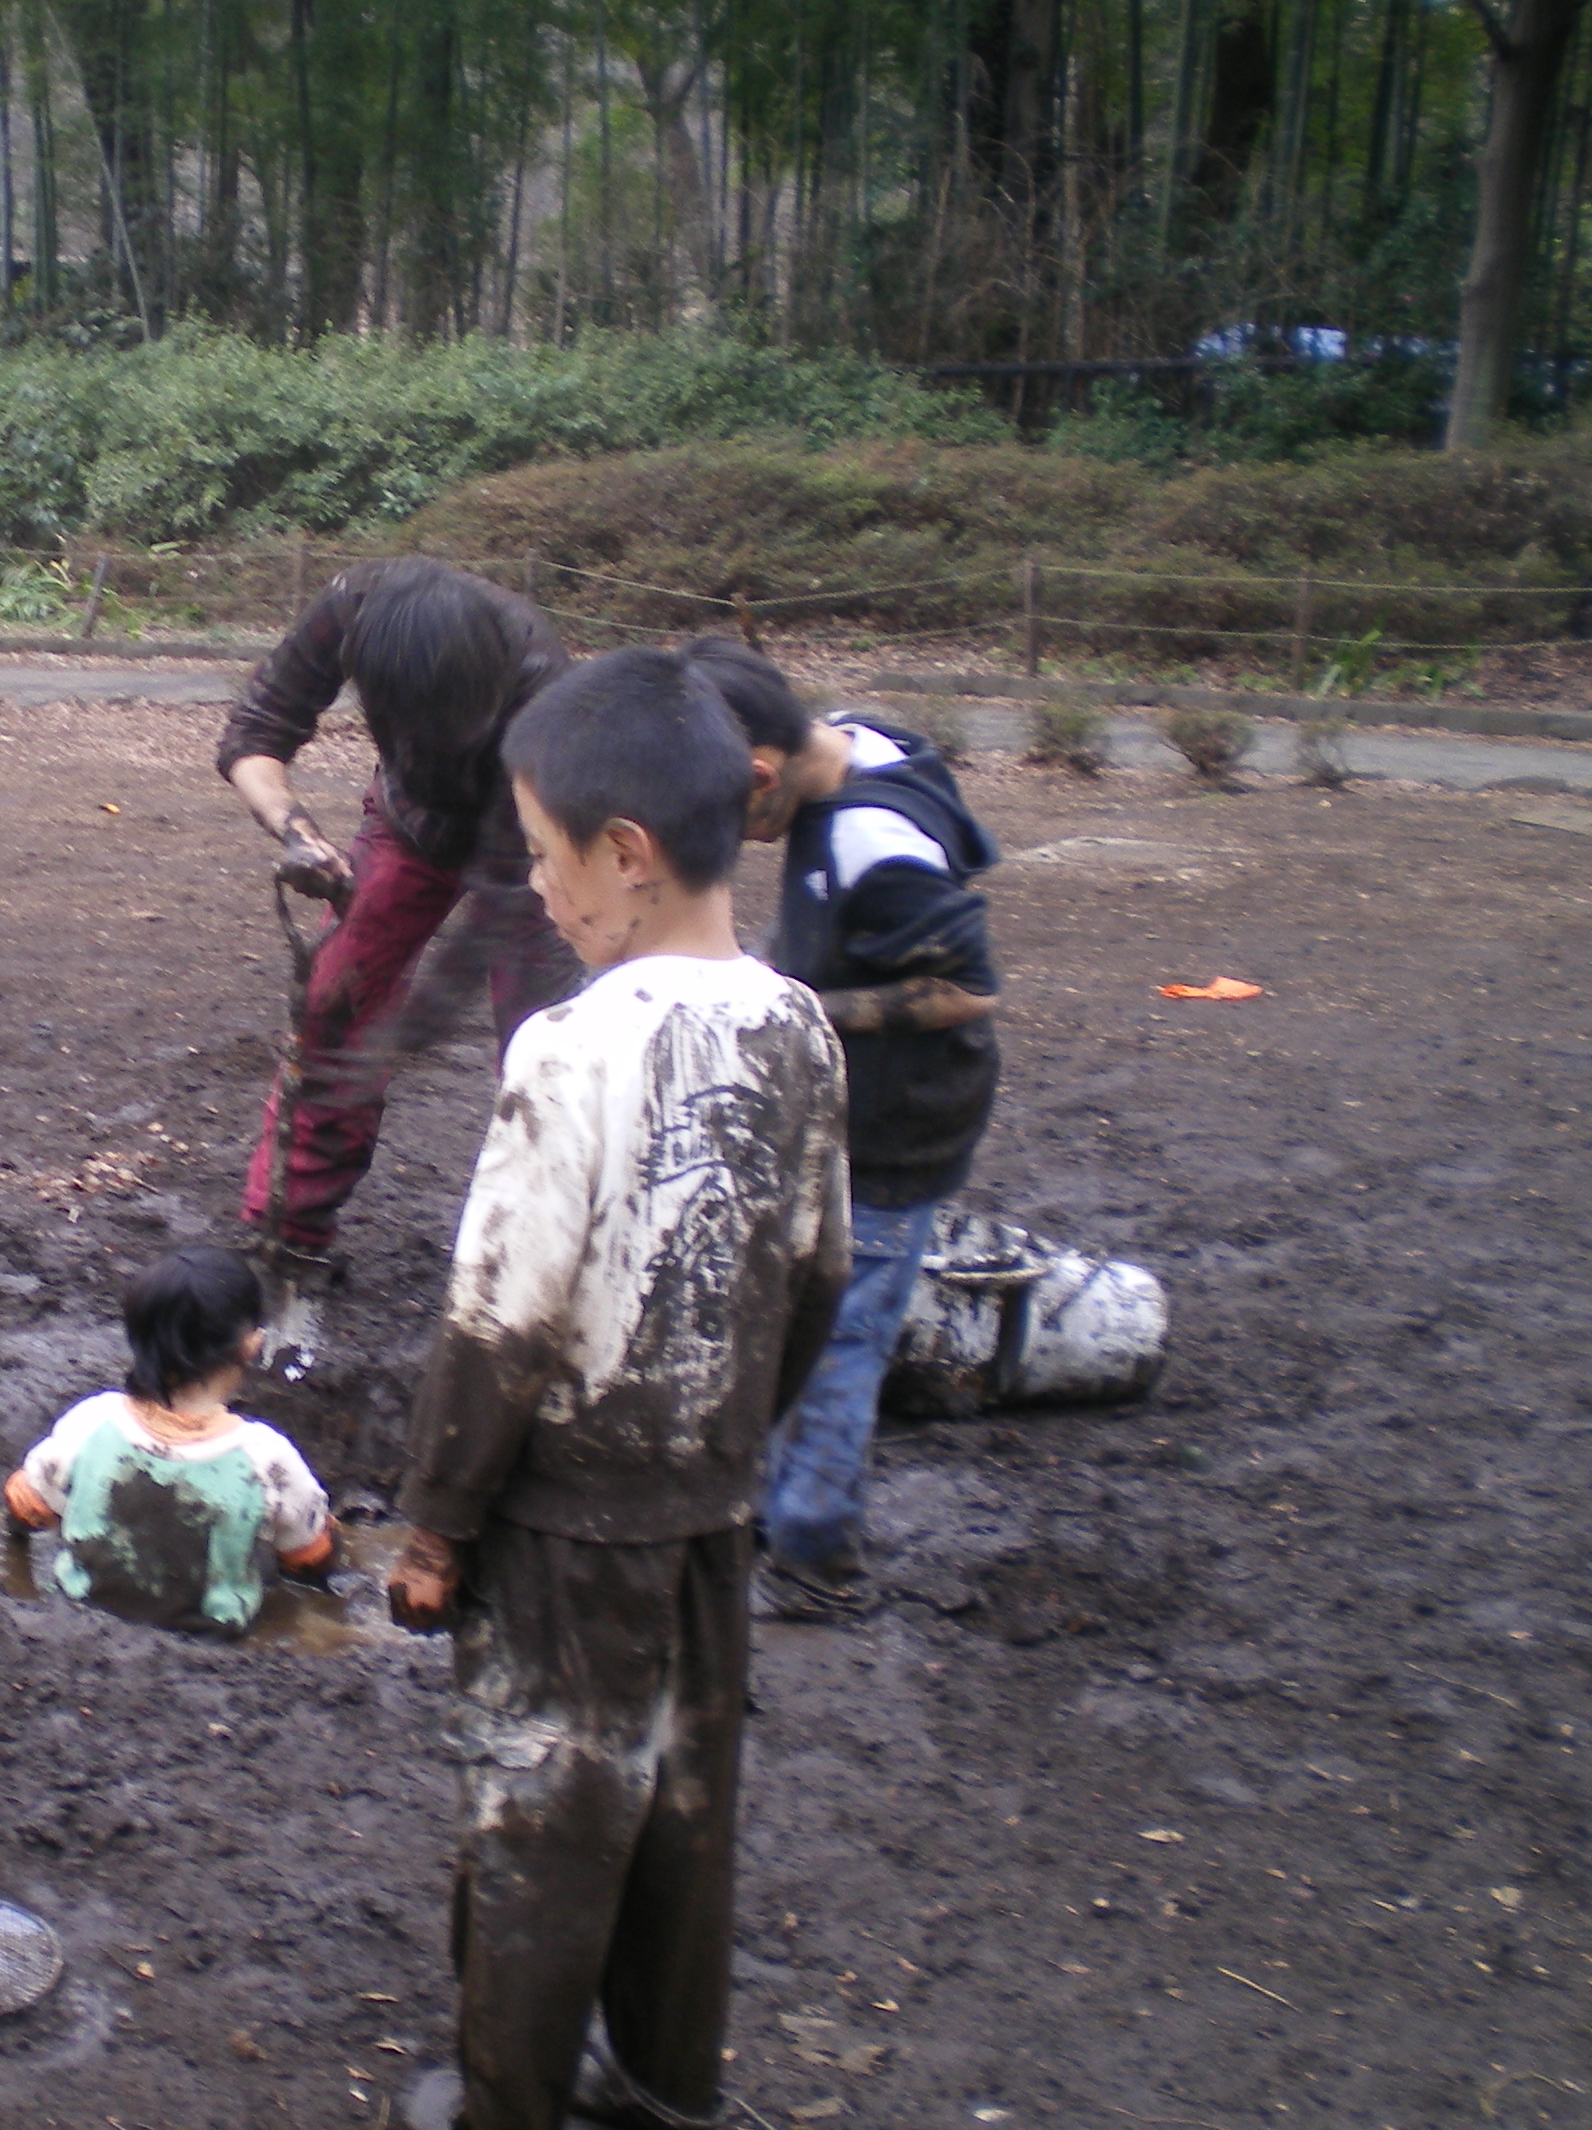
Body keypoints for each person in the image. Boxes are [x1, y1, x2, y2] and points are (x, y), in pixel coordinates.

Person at [381, 647, 850, 2130]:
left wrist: (440, 1520)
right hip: (710, 1511)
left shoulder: (570, 1047)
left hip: (562, 1534)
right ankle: (664, 2089)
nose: (536, 891)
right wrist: (737, 1443)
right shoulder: (800, 1027)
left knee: (541, 1818)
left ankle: (507, 2100)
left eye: (541, 856)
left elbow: (500, 1315)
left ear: (627, 856)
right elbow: (819, 1269)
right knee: (684, 1820)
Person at [681, 635, 1003, 1621]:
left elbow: (964, 990)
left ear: (763, 775)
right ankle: (773, 1507)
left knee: (841, 1341)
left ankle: (816, 1560)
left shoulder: (873, 839)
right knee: (799, 1311)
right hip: (850, 1121)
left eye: (727, 814)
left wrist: (801, 1008)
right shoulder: (860, 741)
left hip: (898, 1133)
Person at [215, 560, 573, 1360]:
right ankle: (291, 1246)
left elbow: (498, 908)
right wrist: (296, 830)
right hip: (410, 824)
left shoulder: (541, 685)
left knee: (545, 1058)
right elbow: (254, 736)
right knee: (334, 1014)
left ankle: (541, 1270)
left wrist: (409, 1034)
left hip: (534, 853)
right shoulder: (352, 610)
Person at [3, 1246, 336, 1635]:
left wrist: (18, 1535)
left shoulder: (93, 1420)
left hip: (84, 1612)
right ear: (252, 1343)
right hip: (212, 1636)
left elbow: (24, 1503)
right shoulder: (266, 1458)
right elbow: (310, 1558)